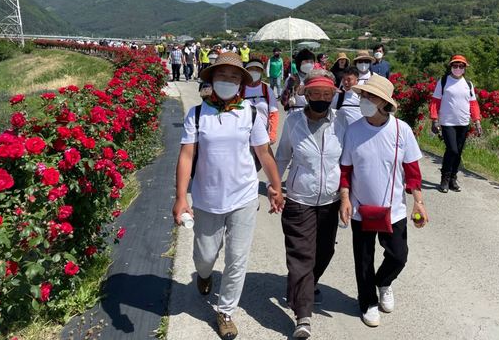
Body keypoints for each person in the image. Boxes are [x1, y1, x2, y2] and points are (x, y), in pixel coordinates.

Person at [172, 51, 285, 340]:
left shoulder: (249, 113)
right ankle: (205, 275)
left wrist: (276, 186)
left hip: (244, 197)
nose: (228, 81)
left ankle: (226, 311)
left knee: (237, 257)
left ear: (241, 84)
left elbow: (264, 153)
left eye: (234, 77)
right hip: (207, 198)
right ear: (212, 79)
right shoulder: (197, 114)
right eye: (222, 75)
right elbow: (187, 156)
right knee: (205, 255)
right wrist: (181, 197)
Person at [339, 74, 428, 328]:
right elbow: (345, 169)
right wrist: (344, 197)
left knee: (398, 256)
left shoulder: (402, 130)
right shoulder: (354, 130)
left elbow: (412, 171)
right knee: (364, 259)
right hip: (361, 208)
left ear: (384, 103)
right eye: (363, 95)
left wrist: (418, 202)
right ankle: (367, 302)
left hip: (394, 209)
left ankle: (384, 282)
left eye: (370, 96)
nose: (364, 100)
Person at [275, 70, 345, 338]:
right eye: (315, 94)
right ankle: (303, 315)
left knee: (324, 251)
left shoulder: (342, 123)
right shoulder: (293, 122)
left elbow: (348, 163)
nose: (321, 98)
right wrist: (274, 187)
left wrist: (350, 197)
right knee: (301, 256)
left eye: (327, 94)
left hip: (330, 200)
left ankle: (303, 285)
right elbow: (282, 157)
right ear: (306, 95)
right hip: (299, 199)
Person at [430, 54, 483, 193]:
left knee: (458, 152)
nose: (458, 68)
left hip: (463, 122)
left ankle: (453, 178)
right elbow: (436, 102)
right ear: (451, 67)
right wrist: (434, 120)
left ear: (465, 68)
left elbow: (473, 104)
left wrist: (477, 122)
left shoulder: (468, 84)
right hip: (447, 122)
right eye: (455, 65)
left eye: (461, 66)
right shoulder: (443, 81)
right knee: (452, 150)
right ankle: (445, 179)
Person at [243, 58, 279, 145]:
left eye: (257, 69)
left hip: (263, 137)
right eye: (251, 69)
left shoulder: (266, 90)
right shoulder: (240, 89)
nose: (254, 71)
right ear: (246, 71)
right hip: (244, 137)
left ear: (261, 72)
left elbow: (274, 113)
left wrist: (272, 134)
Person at [281, 49, 316, 114]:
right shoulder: (292, 79)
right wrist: (288, 88)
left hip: (312, 113)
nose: (309, 64)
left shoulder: (316, 79)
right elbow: (283, 101)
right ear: (299, 63)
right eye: (306, 61)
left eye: (311, 62)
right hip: (295, 112)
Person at [332, 66, 362, 131]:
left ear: (357, 80)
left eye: (349, 79)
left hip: (360, 132)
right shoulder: (338, 95)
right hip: (342, 132)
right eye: (343, 79)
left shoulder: (363, 95)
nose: (345, 82)